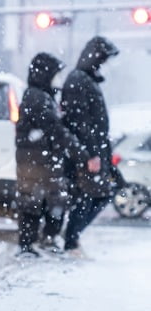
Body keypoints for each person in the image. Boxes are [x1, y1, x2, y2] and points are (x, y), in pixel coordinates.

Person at [15, 52, 94, 257]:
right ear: (45, 75)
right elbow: (57, 132)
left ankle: (36, 242)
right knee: (40, 201)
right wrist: (83, 156)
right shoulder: (38, 98)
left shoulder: (39, 97)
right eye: (55, 75)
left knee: (41, 201)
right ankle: (33, 243)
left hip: (40, 160)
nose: (57, 80)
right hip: (38, 161)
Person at [61, 36, 121, 255]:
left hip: (94, 150)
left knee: (96, 194)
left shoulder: (86, 79)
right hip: (88, 153)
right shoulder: (79, 79)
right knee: (90, 195)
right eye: (103, 58)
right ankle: (71, 240)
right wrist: (92, 154)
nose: (104, 63)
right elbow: (81, 122)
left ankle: (71, 237)